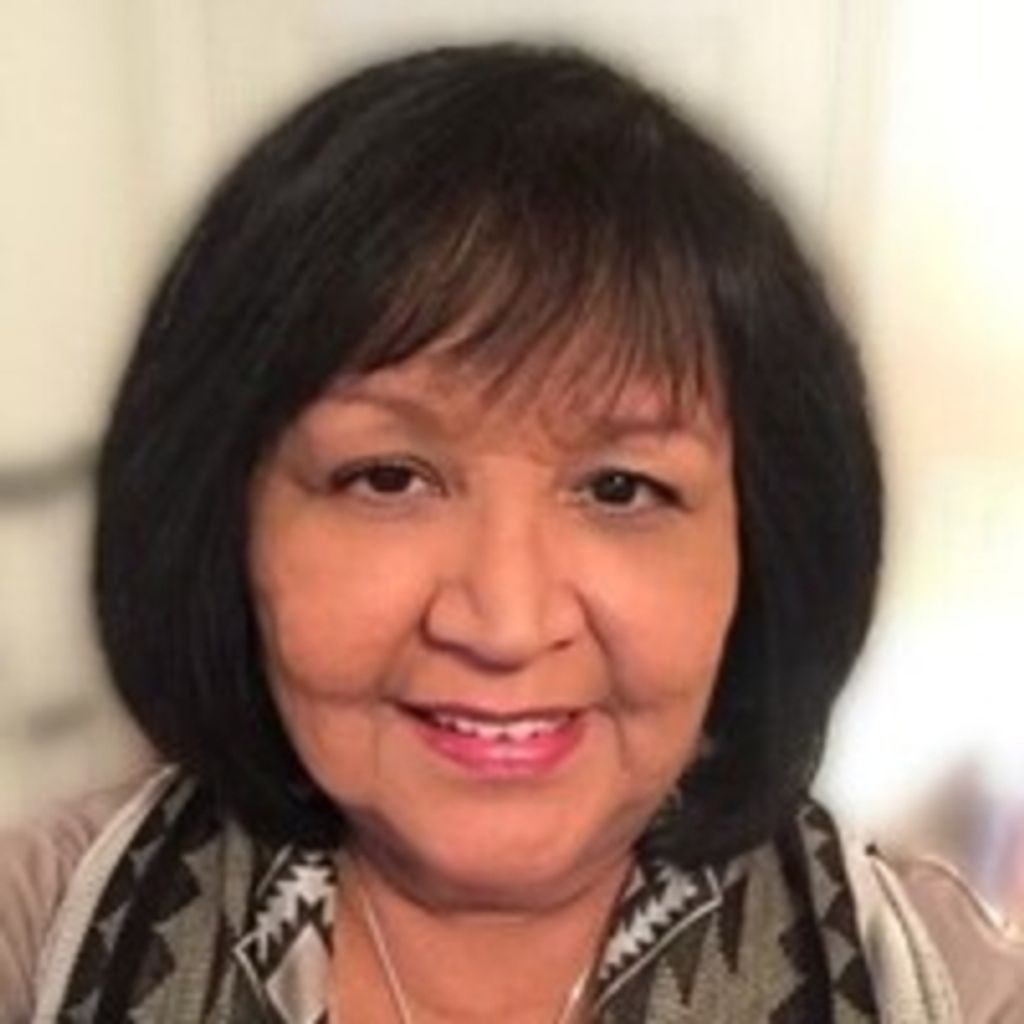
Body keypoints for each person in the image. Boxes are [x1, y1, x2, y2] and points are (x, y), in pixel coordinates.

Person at [2, 42, 1020, 1024]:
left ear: (759, 551)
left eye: (619, 488)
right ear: (226, 521)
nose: (504, 621)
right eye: (388, 477)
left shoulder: (939, 985)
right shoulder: (45, 934)